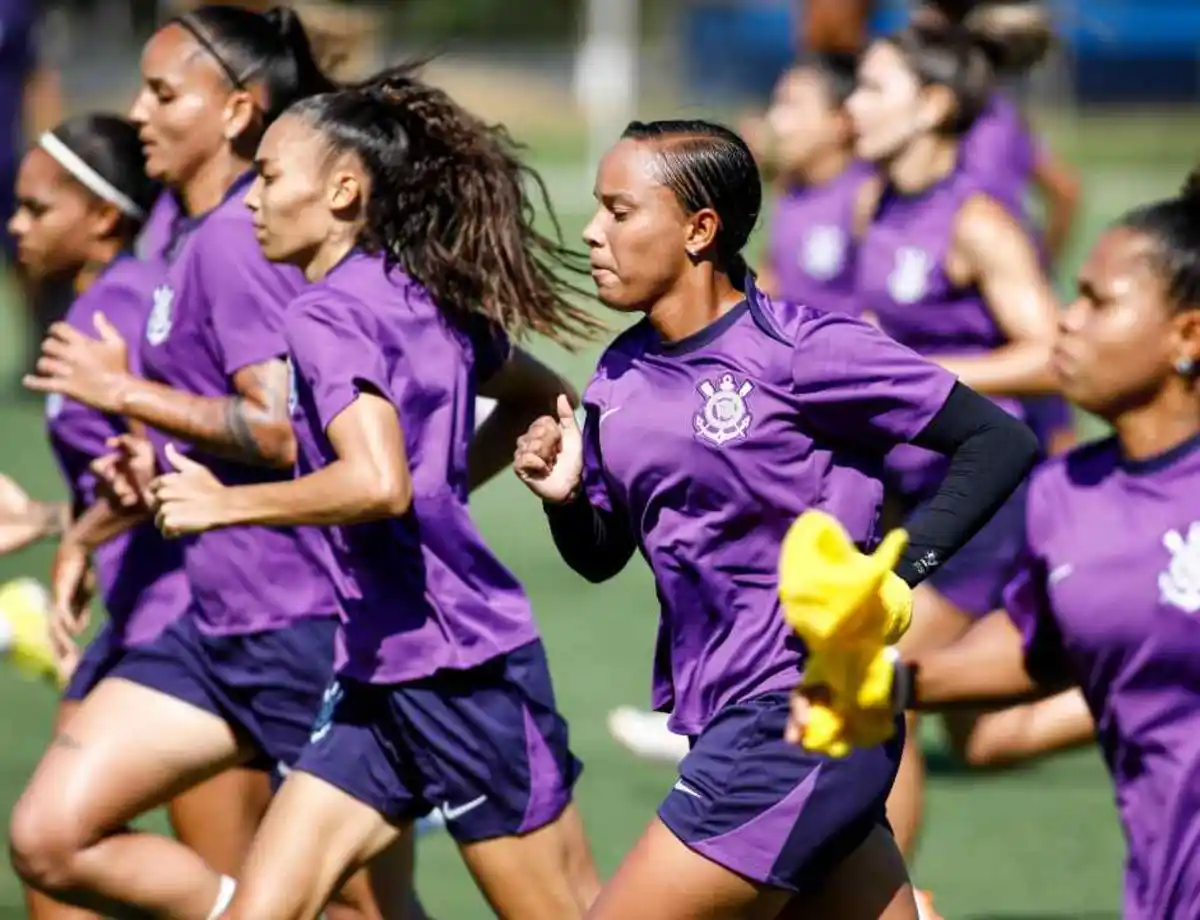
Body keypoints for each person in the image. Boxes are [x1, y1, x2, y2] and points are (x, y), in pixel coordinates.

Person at [514, 117, 1038, 920]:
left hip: (794, 716)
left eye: (620, 213)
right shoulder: (618, 373)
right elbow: (601, 554)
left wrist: (892, 581)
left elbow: (996, 441)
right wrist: (565, 500)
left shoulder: (801, 350)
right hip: (724, 717)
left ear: (700, 229)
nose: (591, 233)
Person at [148, 65, 601, 920]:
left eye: (271, 177)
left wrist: (226, 504)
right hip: (374, 674)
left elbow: (377, 483)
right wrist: (447, 485)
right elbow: (539, 398)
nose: (251, 199)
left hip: (460, 673)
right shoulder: (422, 290)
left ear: (344, 190)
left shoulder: (322, 316)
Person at [8, 9, 411, 920]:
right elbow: (208, 433)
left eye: (163, 94)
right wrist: (89, 519)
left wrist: (125, 395)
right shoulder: (191, 242)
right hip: (215, 623)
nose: (139, 113)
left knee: (372, 904)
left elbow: (274, 429)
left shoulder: (239, 237)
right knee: (48, 834)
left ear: (234, 112)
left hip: (299, 619)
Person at [789, 170, 1200, 919]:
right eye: (1072, 295)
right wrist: (883, 679)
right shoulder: (1066, 493)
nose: (1065, 323)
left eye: (1098, 302)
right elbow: (1037, 645)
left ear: (1188, 335)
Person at [1, 112, 280, 920]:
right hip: (139, 618)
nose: (17, 225)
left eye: (37, 209)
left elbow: (183, 461)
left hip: (190, 624)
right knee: (53, 861)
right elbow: (133, 476)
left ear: (101, 215)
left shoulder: (123, 310)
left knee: (244, 888)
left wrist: (81, 534)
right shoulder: (100, 305)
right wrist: (57, 521)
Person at [844, 16, 1093, 905]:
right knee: (982, 741)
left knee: (879, 674)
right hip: (923, 493)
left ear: (934, 105)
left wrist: (914, 376)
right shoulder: (876, 201)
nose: (853, 104)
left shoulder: (978, 219)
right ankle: (1153, 675)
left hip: (998, 498)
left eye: (873, 87)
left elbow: (1051, 351)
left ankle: (888, 903)